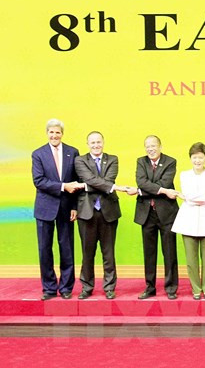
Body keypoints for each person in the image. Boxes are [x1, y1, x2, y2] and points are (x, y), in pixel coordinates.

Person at [74, 131, 137, 300]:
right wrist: (112, 187)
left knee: (108, 253)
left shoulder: (113, 159)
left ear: (103, 142)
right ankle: (87, 287)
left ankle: (109, 287)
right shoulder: (80, 160)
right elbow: (91, 179)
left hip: (108, 212)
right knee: (87, 253)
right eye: (92, 142)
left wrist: (90, 185)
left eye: (98, 142)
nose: (96, 145)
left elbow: (104, 181)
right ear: (87, 144)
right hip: (87, 212)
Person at [31, 119, 84, 300]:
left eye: (58, 132)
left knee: (67, 248)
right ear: (47, 133)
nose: (54, 135)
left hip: (67, 208)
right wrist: (63, 187)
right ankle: (49, 288)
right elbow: (39, 181)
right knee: (45, 249)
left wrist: (75, 206)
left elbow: (77, 182)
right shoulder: (38, 154)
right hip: (45, 208)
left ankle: (66, 288)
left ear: (62, 134)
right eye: (51, 132)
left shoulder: (73, 152)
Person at [172, 142, 205, 300]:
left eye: (200, 157)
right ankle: (195, 289)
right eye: (194, 157)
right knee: (191, 259)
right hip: (188, 220)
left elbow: (197, 199)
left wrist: (197, 196)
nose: (197, 161)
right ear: (190, 158)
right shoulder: (184, 175)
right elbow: (190, 197)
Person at [134, 135, 180, 300]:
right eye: (147, 146)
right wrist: (159, 190)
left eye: (153, 145)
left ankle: (171, 287)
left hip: (166, 213)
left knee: (169, 252)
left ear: (160, 146)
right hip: (146, 214)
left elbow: (166, 182)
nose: (150, 149)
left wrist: (143, 190)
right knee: (149, 252)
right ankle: (150, 287)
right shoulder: (141, 161)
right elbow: (141, 182)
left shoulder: (170, 162)